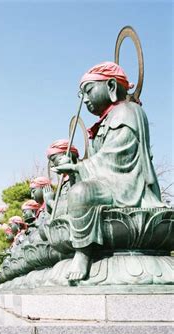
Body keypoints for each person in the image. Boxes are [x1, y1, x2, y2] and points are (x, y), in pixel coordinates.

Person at [52, 61, 165, 282]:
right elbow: (98, 161)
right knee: (65, 208)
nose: (85, 99)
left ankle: (83, 252)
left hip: (127, 184)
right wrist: (75, 172)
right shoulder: (105, 121)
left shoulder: (127, 111)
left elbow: (116, 160)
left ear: (111, 86)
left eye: (89, 90)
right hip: (108, 182)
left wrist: (78, 167)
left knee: (80, 194)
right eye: (81, 94)